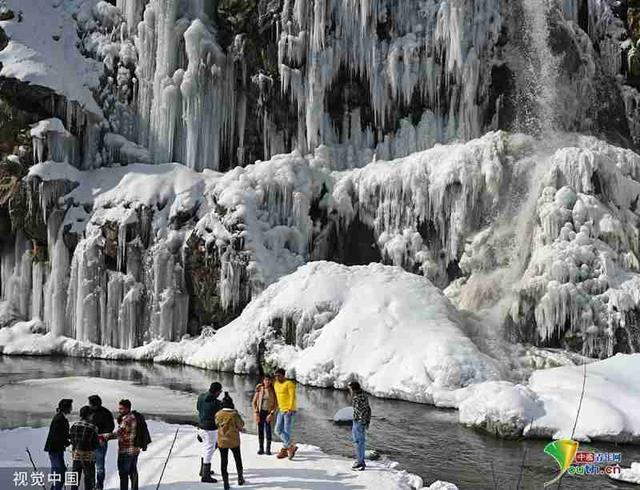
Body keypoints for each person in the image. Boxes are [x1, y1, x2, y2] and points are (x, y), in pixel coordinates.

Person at [215, 392, 245, 489]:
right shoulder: (234, 414)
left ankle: (226, 483)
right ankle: (240, 478)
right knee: (237, 459)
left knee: (224, 461)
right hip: (234, 441)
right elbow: (241, 425)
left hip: (222, 441)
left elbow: (216, 423)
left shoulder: (218, 414)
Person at [108, 399, 139, 490]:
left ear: (127, 408)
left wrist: (102, 437)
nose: (119, 410)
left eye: (121, 408)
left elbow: (118, 433)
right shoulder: (134, 417)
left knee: (123, 473)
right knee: (133, 472)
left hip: (126, 451)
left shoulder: (127, 420)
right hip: (135, 449)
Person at [196, 381, 223, 483]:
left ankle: (203, 470)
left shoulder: (201, 397)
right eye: (220, 391)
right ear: (217, 392)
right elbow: (220, 416)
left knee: (207, 448)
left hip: (200, 426)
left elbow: (198, 408)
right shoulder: (217, 403)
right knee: (209, 449)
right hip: (210, 430)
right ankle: (205, 475)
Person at [44, 399, 72, 490]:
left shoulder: (60, 417)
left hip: (56, 449)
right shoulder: (59, 419)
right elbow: (57, 435)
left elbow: (62, 434)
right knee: (60, 474)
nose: (71, 408)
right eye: (70, 406)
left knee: (59, 473)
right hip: (55, 449)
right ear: (66, 408)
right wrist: (67, 441)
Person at [69, 405, 99, 490]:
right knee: (88, 480)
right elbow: (96, 444)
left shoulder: (74, 425)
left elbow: (71, 440)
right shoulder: (93, 427)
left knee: (74, 479)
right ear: (89, 415)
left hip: (76, 456)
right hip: (88, 457)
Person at [88, 395, 115, 490]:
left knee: (99, 466)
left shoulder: (106, 413)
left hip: (100, 442)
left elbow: (110, 428)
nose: (89, 405)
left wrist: (102, 437)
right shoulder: (89, 411)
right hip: (89, 443)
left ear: (95, 404)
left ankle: (99, 486)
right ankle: (91, 485)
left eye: (90, 404)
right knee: (90, 465)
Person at [273, 368, 297, 459]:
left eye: (278, 375)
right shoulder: (276, 384)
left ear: (283, 375)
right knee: (277, 430)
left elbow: (292, 397)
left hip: (289, 411)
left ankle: (285, 449)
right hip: (281, 410)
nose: (277, 377)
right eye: (276, 376)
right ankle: (290, 446)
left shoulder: (289, 384)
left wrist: (290, 408)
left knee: (287, 431)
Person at [251, 375, 277, 455]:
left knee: (268, 431)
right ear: (263, 381)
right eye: (266, 380)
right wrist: (256, 412)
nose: (267, 382)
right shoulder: (260, 389)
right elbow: (254, 402)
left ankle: (268, 449)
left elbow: (276, 404)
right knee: (260, 430)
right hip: (260, 412)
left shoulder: (273, 390)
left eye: (269, 380)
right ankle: (261, 448)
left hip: (268, 413)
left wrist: (272, 413)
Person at [348, 381, 371, 471]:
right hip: (360, 422)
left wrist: (362, 422)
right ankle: (360, 460)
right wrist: (367, 422)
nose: (349, 390)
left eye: (350, 388)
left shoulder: (357, 398)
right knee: (359, 441)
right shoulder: (363, 395)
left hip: (358, 422)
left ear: (353, 389)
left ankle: (360, 462)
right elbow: (368, 409)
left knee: (358, 442)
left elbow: (361, 412)